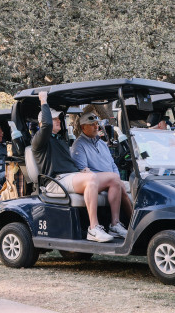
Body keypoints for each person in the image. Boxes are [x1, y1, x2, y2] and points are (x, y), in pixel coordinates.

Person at [32, 91, 124, 243]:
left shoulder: (60, 140)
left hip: (70, 177)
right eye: (55, 119)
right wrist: (43, 100)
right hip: (55, 181)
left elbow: (67, 162)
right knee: (91, 179)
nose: (58, 122)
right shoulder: (39, 141)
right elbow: (47, 125)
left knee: (114, 179)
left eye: (58, 119)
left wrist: (82, 170)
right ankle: (93, 228)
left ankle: (114, 224)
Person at [69, 110, 131, 235]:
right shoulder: (79, 145)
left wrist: (117, 178)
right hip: (96, 180)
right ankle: (121, 223)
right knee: (117, 182)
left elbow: (113, 165)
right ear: (83, 127)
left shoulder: (102, 143)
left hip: (111, 179)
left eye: (97, 124)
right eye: (92, 124)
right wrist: (114, 179)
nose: (96, 126)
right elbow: (83, 169)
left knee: (133, 185)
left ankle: (131, 223)